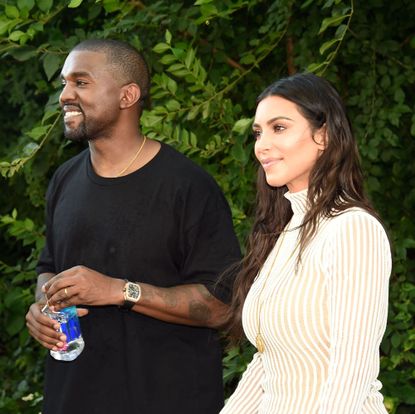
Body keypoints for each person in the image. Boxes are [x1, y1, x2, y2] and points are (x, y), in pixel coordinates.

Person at [25, 38, 241, 414]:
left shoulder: (188, 186)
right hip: (71, 398)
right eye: (64, 83)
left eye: (81, 82)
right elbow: (50, 267)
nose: (64, 95)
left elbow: (222, 306)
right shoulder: (64, 180)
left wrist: (118, 290)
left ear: (128, 96)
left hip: (167, 399)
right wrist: (43, 305)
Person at [220, 73, 391, 413]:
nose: (261, 145)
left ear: (323, 136)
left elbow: (352, 371)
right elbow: (268, 364)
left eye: (278, 128)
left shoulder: (353, 229)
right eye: (258, 132)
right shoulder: (284, 232)